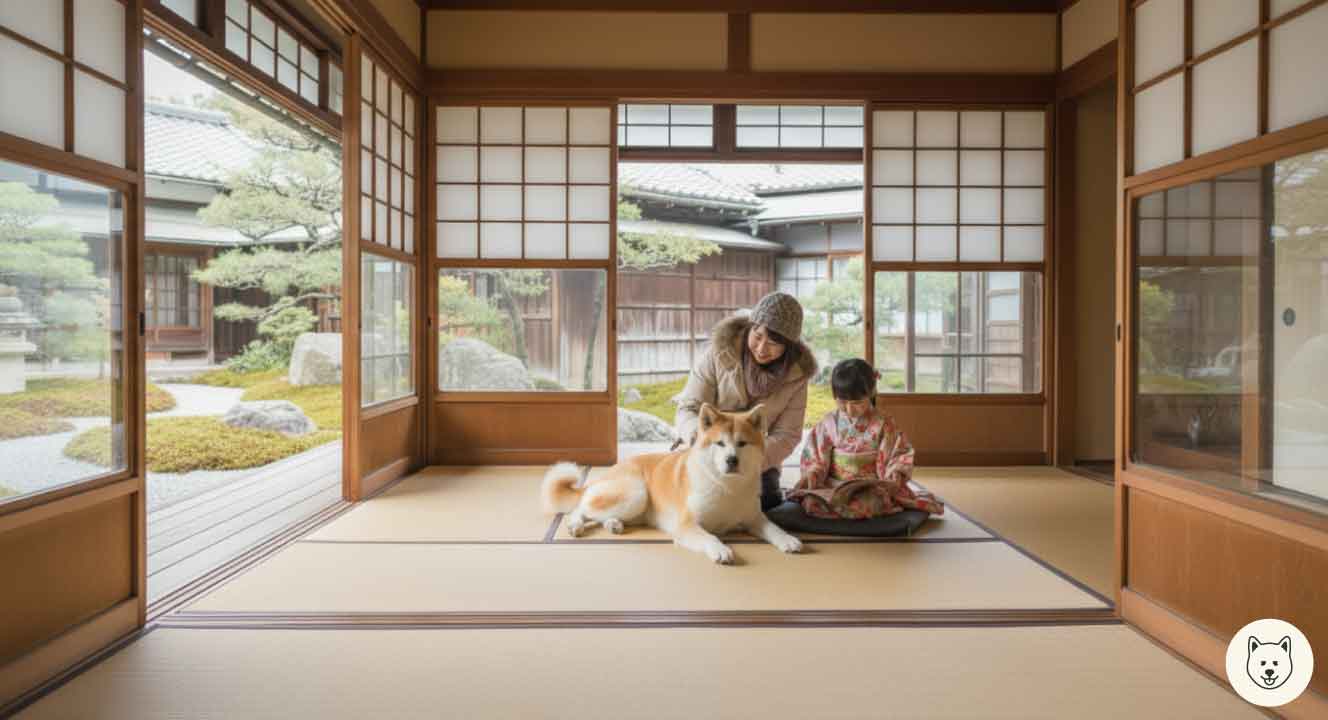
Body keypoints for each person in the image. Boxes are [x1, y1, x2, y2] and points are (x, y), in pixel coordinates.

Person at [673, 291, 816, 511]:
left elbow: (787, 435)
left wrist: (749, 461)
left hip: (757, 458)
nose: (761, 349)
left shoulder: (796, 375)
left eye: (773, 343)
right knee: (687, 500)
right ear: (750, 328)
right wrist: (699, 440)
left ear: (788, 346)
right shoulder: (718, 353)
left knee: (765, 503)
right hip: (709, 450)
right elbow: (688, 408)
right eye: (757, 337)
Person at [785, 358, 944, 520]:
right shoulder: (828, 423)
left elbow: (899, 453)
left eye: (857, 402)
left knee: (871, 502)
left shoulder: (883, 423)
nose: (849, 409)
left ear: (871, 393)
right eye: (842, 402)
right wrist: (813, 472)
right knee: (812, 502)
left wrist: (895, 472)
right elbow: (815, 457)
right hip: (833, 484)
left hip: (869, 486)